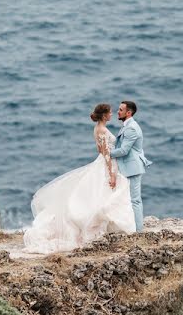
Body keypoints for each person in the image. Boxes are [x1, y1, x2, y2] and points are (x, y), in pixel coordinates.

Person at [22, 103, 136, 253]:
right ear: (104, 115)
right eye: (109, 113)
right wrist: (112, 173)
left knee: (99, 196)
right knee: (105, 195)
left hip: (101, 162)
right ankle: (99, 228)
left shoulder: (97, 129)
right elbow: (106, 154)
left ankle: (106, 228)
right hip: (107, 165)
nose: (112, 114)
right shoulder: (102, 130)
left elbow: (99, 149)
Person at [110, 100, 152, 232]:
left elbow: (124, 150)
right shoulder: (127, 125)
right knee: (128, 199)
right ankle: (131, 227)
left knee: (135, 200)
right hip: (129, 167)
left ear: (129, 113)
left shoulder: (132, 127)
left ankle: (139, 231)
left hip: (132, 168)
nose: (118, 111)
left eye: (121, 110)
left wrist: (107, 153)